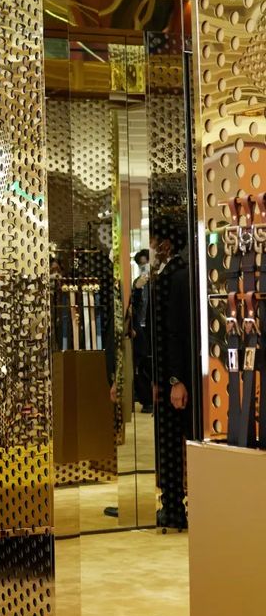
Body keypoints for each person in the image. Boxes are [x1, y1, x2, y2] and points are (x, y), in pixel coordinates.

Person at [148, 213, 192, 529]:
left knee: (174, 442)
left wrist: (175, 379)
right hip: (167, 374)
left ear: (165, 244)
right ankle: (172, 504)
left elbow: (175, 331)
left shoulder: (177, 276)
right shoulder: (167, 275)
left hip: (175, 377)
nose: (150, 248)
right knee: (170, 443)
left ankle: (175, 506)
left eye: (153, 242)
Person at [128, 248, 153, 413]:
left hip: (152, 326)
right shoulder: (137, 282)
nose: (144, 268)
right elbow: (134, 305)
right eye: (141, 265)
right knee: (141, 362)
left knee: (149, 362)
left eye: (146, 264)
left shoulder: (157, 281)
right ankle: (146, 398)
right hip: (140, 327)